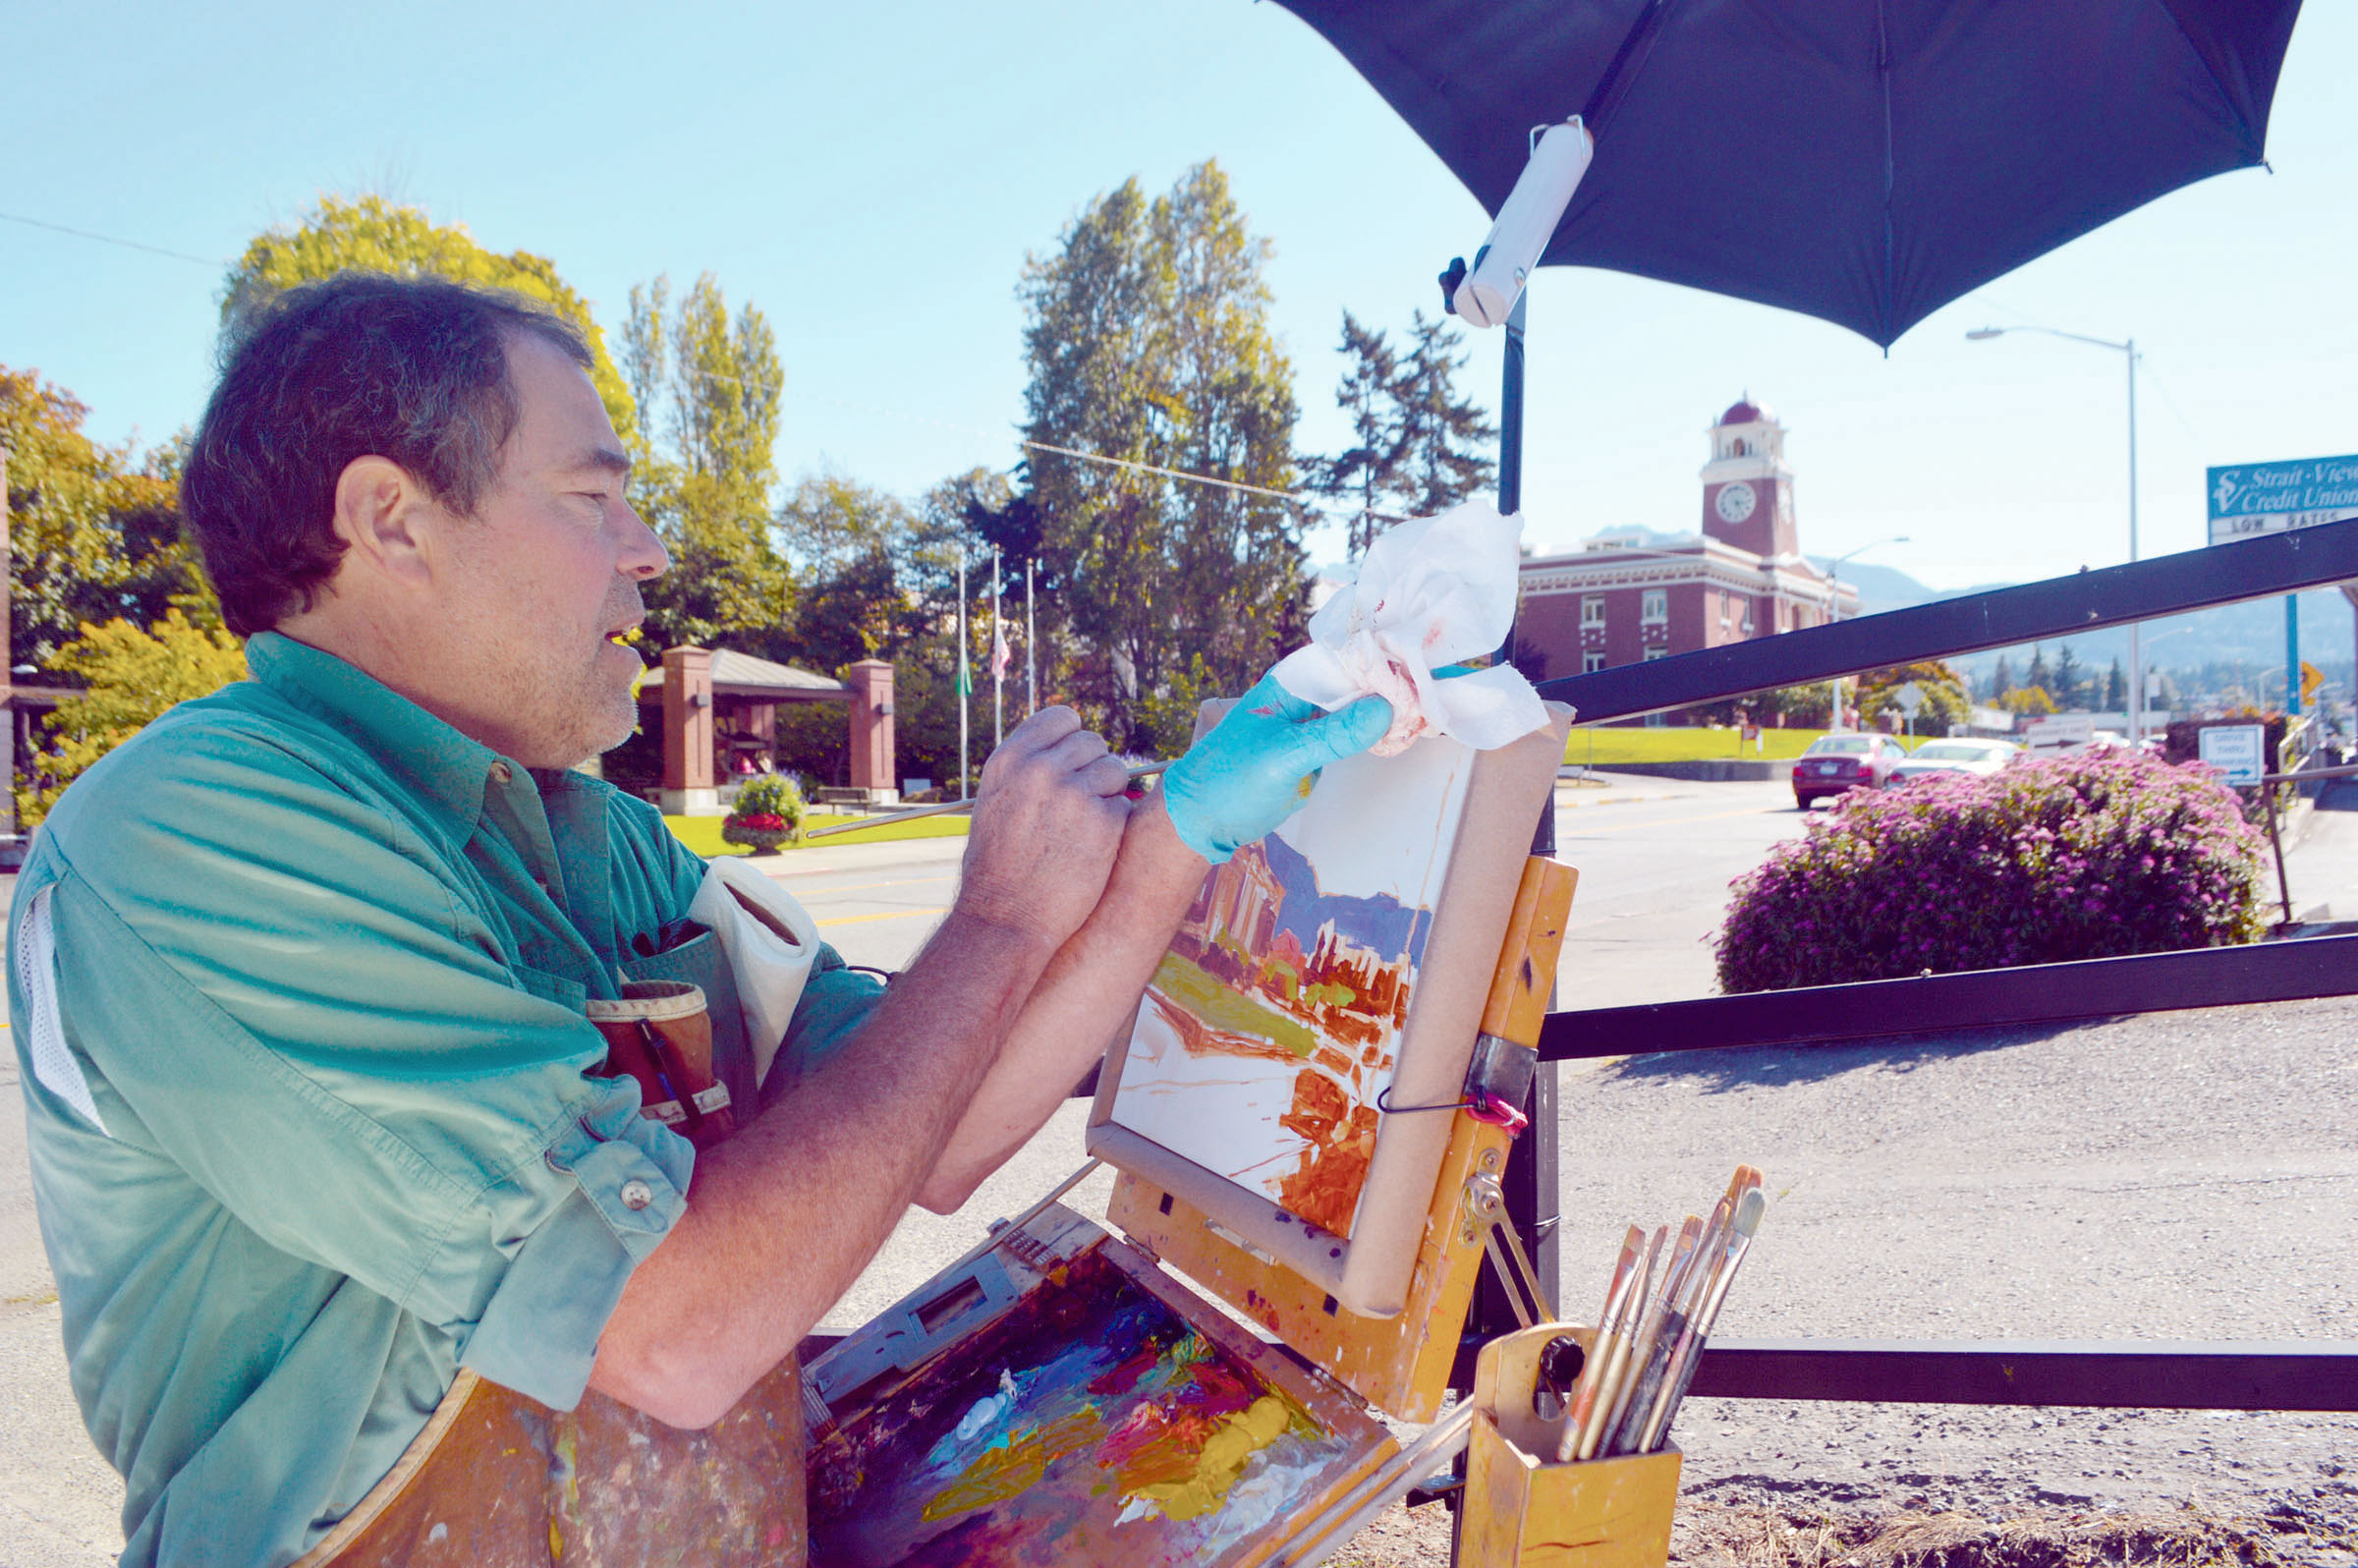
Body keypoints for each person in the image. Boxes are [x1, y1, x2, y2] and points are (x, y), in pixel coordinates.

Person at [6, 273, 1392, 1568]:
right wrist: (997, 926)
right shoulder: (198, 834)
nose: (649, 549)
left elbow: (938, 1123)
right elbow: (675, 1330)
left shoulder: (594, 832)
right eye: (591, 496)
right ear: (392, 522)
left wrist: (1172, 847)